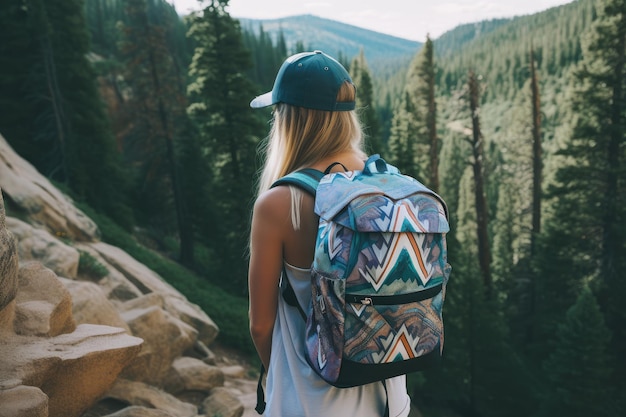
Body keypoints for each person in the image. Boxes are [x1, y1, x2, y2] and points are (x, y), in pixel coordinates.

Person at [248, 50, 411, 417]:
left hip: (310, 401)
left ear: (289, 120)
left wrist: (286, 379)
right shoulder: (388, 184)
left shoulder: (279, 204)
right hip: (389, 397)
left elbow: (261, 325)